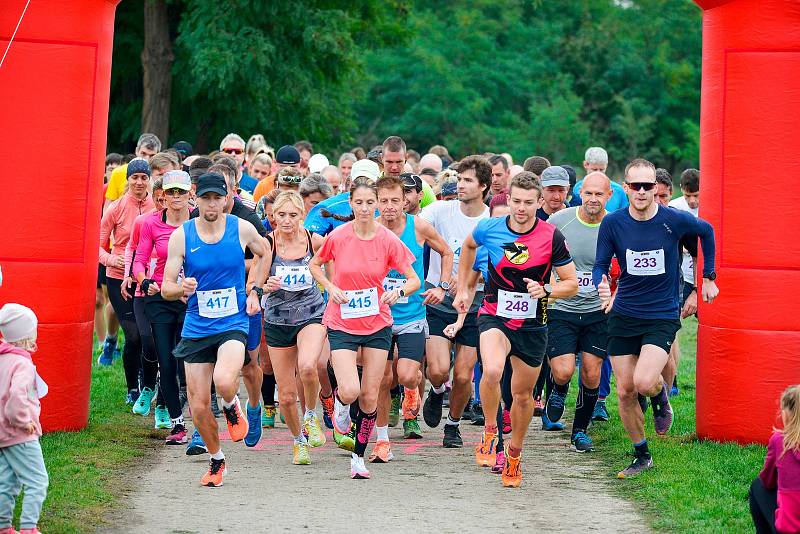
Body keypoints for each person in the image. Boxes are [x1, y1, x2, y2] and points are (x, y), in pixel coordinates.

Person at [594, 158, 719, 479]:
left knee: (644, 382)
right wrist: (600, 283)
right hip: (623, 313)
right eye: (635, 186)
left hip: (661, 314)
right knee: (624, 391)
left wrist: (706, 278)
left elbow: (706, 231)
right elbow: (600, 262)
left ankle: (661, 394)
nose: (641, 191)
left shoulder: (673, 220)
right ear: (626, 188)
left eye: (648, 186)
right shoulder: (613, 223)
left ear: (656, 188)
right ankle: (641, 455)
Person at [455, 171, 578, 487]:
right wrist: (464, 289)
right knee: (493, 370)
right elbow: (469, 247)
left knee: (522, 396)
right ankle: (490, 431)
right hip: (495, 314)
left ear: (539, 203)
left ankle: (514, 455)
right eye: (516, 201)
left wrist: (547, 290)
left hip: (533, 324)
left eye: (528, 202)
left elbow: (572, 284)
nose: (521, 208)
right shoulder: (489, 228)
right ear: (507, 200)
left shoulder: (552, 237)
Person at [308, 176, 420, 480]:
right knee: (351, 389)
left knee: (370, 396)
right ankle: (341, 407)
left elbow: (414, 279)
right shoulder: (339, 236)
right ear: (351, 204)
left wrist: (398, 292)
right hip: (343, 321)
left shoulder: (387, 239)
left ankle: (358, 456)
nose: (365, 208)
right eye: (359, 202)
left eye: (371, 202)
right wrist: (329, 287)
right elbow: (315, 264)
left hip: (377, 323)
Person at [161, 172, 268, 487]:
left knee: (224, 381)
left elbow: (265, 253)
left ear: (226, 199)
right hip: (196, 326)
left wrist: (255, 290)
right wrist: (180, 287)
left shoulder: (242, 228)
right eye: (205, 197)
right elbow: (166, 285)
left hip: (232, 321)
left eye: (216, 198)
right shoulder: (182, 236)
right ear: (197, 198)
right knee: (197, 407)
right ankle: (217, 460)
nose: (211, 204)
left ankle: (231, 404)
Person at [371, 175, 454, 461]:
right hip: (378, 316)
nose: (391, 207)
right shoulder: (370, 228)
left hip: (412, 313)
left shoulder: (417, 226)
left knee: (406, 375)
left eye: (396, 200)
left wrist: (442, 287)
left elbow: (446, 252)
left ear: (405, 201)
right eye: (384, 201)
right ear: (376, 202)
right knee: (383, 378)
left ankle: (411, 391)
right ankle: (382, 440)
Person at [419, 155, 491, 448]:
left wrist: (471, 280)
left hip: (477, 304)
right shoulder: (439, 210)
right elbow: (413, 228)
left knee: (463, 376)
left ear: (483, 186)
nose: (460, 185)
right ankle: (436, 391)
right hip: (439, 300)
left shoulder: (491, 220)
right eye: (459, 179)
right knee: (437, 370)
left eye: (467, 180)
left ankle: (453, 425)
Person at [542, 172, 615, 452]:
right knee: (562, 370)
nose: (593, 199)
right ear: (580, 193)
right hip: (563, 306)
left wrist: (614, 295)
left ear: (609, 195)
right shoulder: (560, 221)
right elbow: (541, 256)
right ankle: (558, 391)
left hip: (598, 310)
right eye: (589, 193)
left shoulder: (616, 224)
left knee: (592, 373)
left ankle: (580, 432)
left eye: (599, 194)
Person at [258, 191, 328, 464]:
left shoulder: (314, 241)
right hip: (277, 320)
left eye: (293, 215)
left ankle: (311, 416)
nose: (287, 221)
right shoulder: (267, 245)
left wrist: (330, 287)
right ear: (272, 217)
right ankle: (299, 440)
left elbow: (332, 262)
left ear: (302, 216)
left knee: (309, 366)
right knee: (286, 396)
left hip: (311, 314)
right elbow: (253, 282)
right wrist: (265, 286)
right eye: (281, 215)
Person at [133, 171, 193, 444]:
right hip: (160, 297)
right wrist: (145, 282)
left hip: (192, 299)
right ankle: (178, 424)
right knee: (166, 362)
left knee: (190, 363)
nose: (176, 197)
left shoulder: (199, 222)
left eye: (181, 191)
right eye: (171, 192)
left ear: (190, 193)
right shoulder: (151, 224)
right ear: (164, 196)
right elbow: (139, 259)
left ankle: (204, 415)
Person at [99, 158, 155, 403]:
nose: (140, 182)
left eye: (144, 177)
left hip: (148, 277)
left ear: (150, 180)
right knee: (132, 335)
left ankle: (147, 381)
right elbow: (96, 247)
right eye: (135, 177)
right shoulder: (116, 208)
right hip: (118, 278)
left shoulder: (157, 205)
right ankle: (133, 387)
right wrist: (113, 260)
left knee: (148, 335)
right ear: (128, 180)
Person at [0, 304, 48, 534]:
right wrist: (23, 421)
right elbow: (16, 396)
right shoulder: (23, 364)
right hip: (21, 433)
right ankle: (29, 527)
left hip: (2, 433)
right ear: (27, 339)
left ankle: (3, 526)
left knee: (7, 482)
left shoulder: (3, 359)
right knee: (37, 481)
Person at [750, 385, 800, 534]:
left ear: (787, 414)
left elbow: (767, 480)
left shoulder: (780, 441)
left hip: (790, 528)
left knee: (757, 486)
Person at [304, 159, 381, 237]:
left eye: (369, 182)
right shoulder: (328, 207)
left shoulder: (387, 206)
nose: (364, 186)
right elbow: (306, 241)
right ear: (350, 182)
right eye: (359, 181)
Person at [104, 134, 162, 207]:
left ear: (158, 155)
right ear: (137, 150)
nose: (147, 159)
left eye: (151, 156)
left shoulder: (161, 176)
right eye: (143, 154)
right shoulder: (119, 172)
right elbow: (108, 205)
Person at [569, 147, 629, 212]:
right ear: (585, 164)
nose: (598, 173)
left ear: (606, 165)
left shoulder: (619, 191)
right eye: (594, 169)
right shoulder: (576, 188)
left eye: (601, 169)